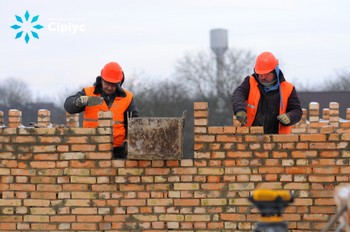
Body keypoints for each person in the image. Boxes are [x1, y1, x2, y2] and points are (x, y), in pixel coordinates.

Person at [64, 61, 140, 158]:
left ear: (119, 83)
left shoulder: (127, 98)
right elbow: (68, 106)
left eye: (113, 85)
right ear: (101, 79)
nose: (109, 87)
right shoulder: (88, 93)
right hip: (91, 148)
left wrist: (128, 142)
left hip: (118, 152)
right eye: (107, 83)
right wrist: (79, 102)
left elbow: (135, 124)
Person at [231, 51, 302, 134]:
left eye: (266, 74)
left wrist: (289, 117)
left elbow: (297, 111)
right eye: (260, 74)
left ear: (275, 71)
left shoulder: (288, 88)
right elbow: (238, 94)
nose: (262, 77)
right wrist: (240, 109)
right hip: (250, 139)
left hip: (278, 142)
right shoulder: (250, 82)